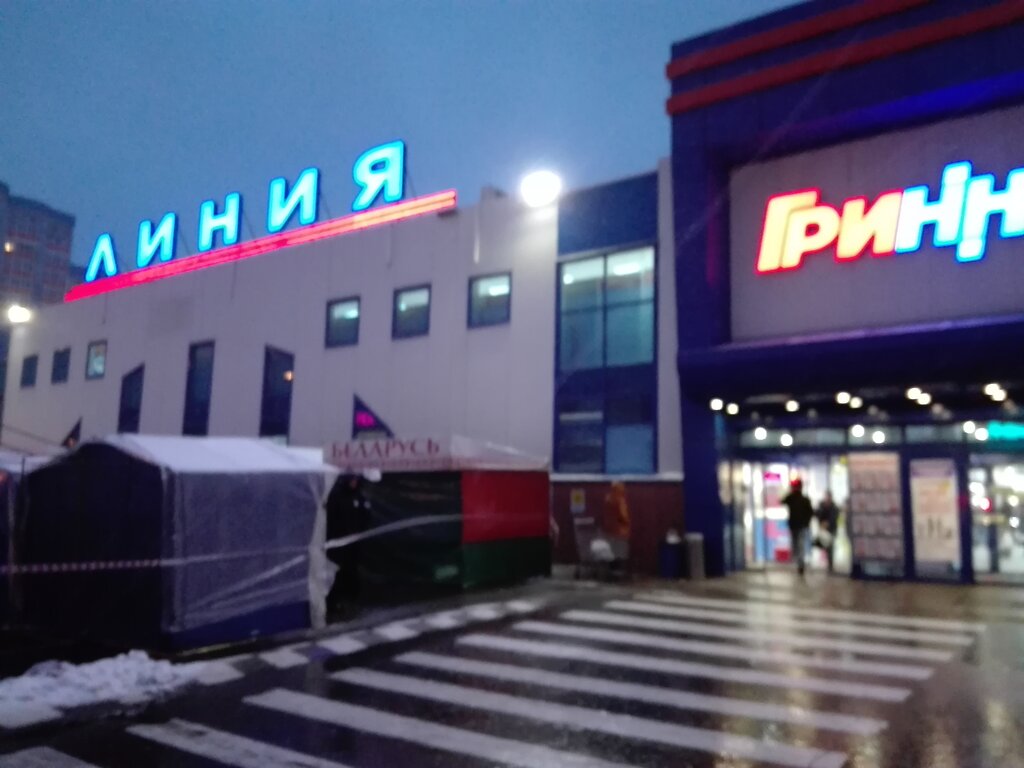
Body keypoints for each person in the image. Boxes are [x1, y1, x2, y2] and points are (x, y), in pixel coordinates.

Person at [781, 478, 814, 577]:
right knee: (798, 545)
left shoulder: (800, 499)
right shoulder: (795, 498)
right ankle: (799, 562)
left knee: (799, 545)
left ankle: (800, 563)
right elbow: (782, 501)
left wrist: (806, 523)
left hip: (799, 526)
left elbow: (810, 513)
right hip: (797, 526)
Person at [602, 481, 631, 574]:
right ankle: (618, 571)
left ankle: (611, 570)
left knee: (611, 552)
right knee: (620, 552)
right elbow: (624, 516)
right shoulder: (620, 500)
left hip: (608, 531)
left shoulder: (607, 499)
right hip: (620, 531)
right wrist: (628, 523)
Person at [815, 491, 841, 573]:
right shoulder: (821, 506)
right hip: (823, 530)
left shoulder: (834, 507)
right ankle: (828, 562)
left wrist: (828, 523)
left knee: (830, 547)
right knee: (825, 546)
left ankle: (830, 564)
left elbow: (835, 517)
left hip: (831, 529)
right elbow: (817, 514)